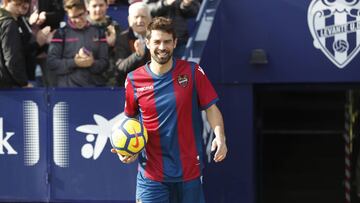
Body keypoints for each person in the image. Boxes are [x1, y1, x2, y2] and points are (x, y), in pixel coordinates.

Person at [112, 17, 227, 203]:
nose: (162, 47)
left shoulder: (192, 72)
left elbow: (212, 109)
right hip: (151, 176)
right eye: (157, 41)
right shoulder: (133, 79)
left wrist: (220, 136)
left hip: (189, 173)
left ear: (174, 43)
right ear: (147, 43)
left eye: (167, 42)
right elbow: (130, 123)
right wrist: (127, 151)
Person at [47, 0, 109, 87]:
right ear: (68, 15)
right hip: (68, 90)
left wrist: (91, 63)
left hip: (94, 89)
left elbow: (105, 63)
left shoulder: (98, 32)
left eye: (80, 15)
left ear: (86, 11)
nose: (78, 20)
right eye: (73, 17)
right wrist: (75, 62)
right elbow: (52, 63)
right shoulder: (61, 33)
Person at [85, 0, 123, 86]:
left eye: (101, 5)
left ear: (107, 5)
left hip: (111, 80)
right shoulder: (82, 27)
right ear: (87, 7)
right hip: (87, 80)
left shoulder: (115, 26)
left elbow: (122, 56)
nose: (98, 9)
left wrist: (114, 45)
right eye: (94, 6)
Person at [114, 1, 151, 86]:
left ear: (150, 19)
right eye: (136, 17)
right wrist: (137, 55)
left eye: (143, 17)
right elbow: (120, 67)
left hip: (153, 84)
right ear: (129, 20)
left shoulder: (156, 37)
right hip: (129, 85)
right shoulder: (122, 38)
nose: (140, 20)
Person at [0, 0, 30, 88]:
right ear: (6, 2)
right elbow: (12, 60)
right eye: (18, 4)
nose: (22, 6)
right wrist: (24, 83)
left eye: (25, 2)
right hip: (7, 85)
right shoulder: (9, 23)